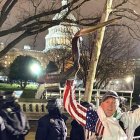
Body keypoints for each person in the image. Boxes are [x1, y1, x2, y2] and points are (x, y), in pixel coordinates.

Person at [63, 80, 140, 140]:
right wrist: (70, 82)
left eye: (114, 102)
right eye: (107, 102)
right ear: (102, 105)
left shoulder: (126, 120)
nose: (110, 105)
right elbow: (71, 106)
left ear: (118, 105)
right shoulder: (94, 118)